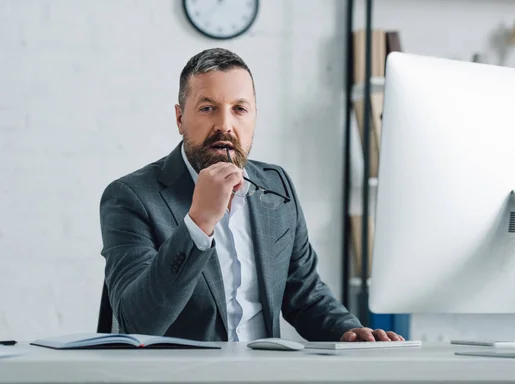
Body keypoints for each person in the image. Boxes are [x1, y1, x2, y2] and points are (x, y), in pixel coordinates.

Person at [99, 48, 403, 343]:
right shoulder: (131, 197)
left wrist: (350, 332)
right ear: (180, 119)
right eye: (207, 108)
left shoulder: (277, 185)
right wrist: (198, 223)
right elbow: (136, 322)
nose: (225, 126)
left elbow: (305, 296)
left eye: (239, 109)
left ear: (254, 117)